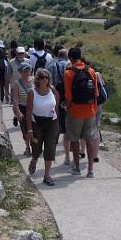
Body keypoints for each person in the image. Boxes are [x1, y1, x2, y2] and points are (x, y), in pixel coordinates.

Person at [63, 47, 100, 178]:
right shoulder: (91, 71)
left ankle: (77, 168)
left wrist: (66, 107)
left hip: (75, 111)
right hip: (90, 111)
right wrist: (94, 110)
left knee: (74, 140)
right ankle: (90, 170)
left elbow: (68, 95)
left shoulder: (68, 73)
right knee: (89, 140)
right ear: (81, 56)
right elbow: (96, 93)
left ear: (70, 58)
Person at [26, 67, 61, 186]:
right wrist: (29, 129)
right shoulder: (32, 92)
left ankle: (47, 175)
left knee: (50, 148)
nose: (44, 79)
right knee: (36, 147)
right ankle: (34, 160)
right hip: (37, 124)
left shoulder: (53, 90)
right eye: (42, 77)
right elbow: (29, 112)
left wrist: (57, 125)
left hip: (52, 123)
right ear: (37, 79)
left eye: (46, 77)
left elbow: (56, 109)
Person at [51, 48, 73, 164]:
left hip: (58, 100)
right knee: (72, 132)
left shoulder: (52, 65)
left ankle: (64, 154)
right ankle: (74, 155)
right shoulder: (74, 79)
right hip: (73, 107)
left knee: (61, 129)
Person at [11, 61, 34, 156]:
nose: (27, 72)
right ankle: (27, 147)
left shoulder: (34, 80)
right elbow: (15, 100)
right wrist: (18, 112)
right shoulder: (17, 84)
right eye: (25, 70)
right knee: (25, 129)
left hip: (34, 108)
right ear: (20, 72)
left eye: (28, 70)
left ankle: (35, 147)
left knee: (35, 129)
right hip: (23, 108)